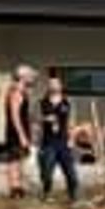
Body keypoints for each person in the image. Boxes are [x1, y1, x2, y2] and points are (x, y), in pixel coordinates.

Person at [35, 71, 82, 201]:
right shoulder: (41, 103)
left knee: (71, 174)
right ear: (48, 87)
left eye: (56, 84)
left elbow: (72, 123)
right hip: (48, 142)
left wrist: (72, 140)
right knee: (46, 173)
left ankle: (73, 196)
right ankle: (46, 193)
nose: (54, 86)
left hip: (64, 142)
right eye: (51, 84)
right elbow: (34, 120)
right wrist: (45, 119)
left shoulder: (68, 103)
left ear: (61, 86)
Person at [0, 64, 37, 195]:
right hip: (15, 132)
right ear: (23, 76)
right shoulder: (16, 92)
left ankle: (18, 186)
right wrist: (22, 135)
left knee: (20, 158)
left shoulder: (21, 91)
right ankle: (14, 188)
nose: (32, 78)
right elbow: (15, 115)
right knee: (14, 159)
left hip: (20, 130)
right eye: (30, 75)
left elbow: (24, 114)